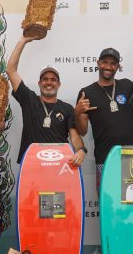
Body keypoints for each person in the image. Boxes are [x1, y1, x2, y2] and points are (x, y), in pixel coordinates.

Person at [74, 47, 133, 192]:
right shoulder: (86, 92)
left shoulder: (127, 85)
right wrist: (77, 112)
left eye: (113, 63)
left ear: (118, 67)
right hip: (105, 158)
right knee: (108, 203)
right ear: (97, 63)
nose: (108, 66)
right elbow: (82, 131)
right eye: (105, 62)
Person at [6, 36, 86, 166]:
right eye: (45, 79)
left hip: (59, 164)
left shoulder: (67, 108)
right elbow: (11, 70)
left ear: (59, 84)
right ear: (39, 83)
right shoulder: (29, 99)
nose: (49, 82)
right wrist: (23, 41)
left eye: (53, 79)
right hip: (31, 164)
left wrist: (81, 150)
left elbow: (75, 136)